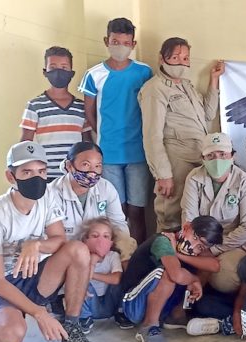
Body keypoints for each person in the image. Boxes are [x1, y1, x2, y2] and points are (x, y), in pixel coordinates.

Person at [0, 141, 98, 342]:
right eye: (27, 172)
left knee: (78, 250)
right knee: (12, 336)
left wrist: (36, 245)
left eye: (41, 171)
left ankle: (72, 328)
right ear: (11, 177)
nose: (36, 178)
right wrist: (39, 313)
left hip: (28, 275)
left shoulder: (47, 198)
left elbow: (59, 239)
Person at [79, 17, 153, 244]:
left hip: (138, 152)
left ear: (133, 44)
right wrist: (102, 135)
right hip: (108, 154)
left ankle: (137, 262)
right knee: (115, 211)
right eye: (115, 41)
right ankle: (118, 259)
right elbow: (89, 113)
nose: (120, 46)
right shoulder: (94, 74)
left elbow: (151, 108)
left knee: (137, 211)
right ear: (106, 41)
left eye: (125, 42)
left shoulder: (144, 72)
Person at [139, 37, 224, 231]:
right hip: (175, 161)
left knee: (192, 214)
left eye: (185, 58)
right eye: (175, 57)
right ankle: (165, 258)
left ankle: (187, 257)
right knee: (171, 215)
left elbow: (208, 114)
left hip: (198, 158)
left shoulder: (186, 86)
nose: (181, 62)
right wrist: (163, 175)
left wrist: (214, 81)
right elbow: (152, 136)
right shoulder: (154, 89)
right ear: (162, 59)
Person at [119, 216, 223, 342]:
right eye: (195, 238)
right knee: (168, 274)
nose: (194, 246)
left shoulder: (189, 248)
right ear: (186, 227)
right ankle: (149, 325)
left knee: (202, 266)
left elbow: (214, 266)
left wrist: (177, 254)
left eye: (201, 247)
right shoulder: (163, 240)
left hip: (161, 302)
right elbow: (176, 274)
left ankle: (176, 314)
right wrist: (194, 279)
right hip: (133, 304)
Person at [181, 132, 246, 294]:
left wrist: (214, 249)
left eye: (223, 154)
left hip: (235, 242)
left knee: (224, 278)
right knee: (178, 260)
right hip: (200, 239)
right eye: (210, 156)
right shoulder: (194, 178)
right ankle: (187, 301)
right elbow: (189, 218)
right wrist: (198, 245)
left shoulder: (245, 183)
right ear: (202, 159)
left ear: (232, 156)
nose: (217, 160)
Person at [48, 141, 136, 262]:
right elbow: (50, 237)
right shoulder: (52, 193)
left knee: (127, 243)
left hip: (100, 249)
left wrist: (119, 250)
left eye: (98, 166)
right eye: (86, 164)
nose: (92, 172)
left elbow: (118, 223)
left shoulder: (106, 188)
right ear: (69, 166)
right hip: (66, 252)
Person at [20, 46, 91, 181]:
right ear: (45, 72)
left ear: (72, 73)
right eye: (53, 68)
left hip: (75, 175)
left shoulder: (82, 107)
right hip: (45, 175)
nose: (59, 72)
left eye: (64, 68)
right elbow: (25, 142)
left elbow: (86, 142)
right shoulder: (35, 105)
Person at [76, 217, 123, 334]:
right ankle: (84, 317)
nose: (101, 240)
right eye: (95, 236)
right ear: (85, 239)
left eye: (106, 236)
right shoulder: (81, 257)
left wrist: (91, 275)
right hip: (92, 306)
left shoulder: (113, 256)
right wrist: (92, 262)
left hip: (111, 304)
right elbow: (80, 280)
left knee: (120, 282)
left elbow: (116, 279)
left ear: (111, 241)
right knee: (80, 283)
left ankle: (121, 313)